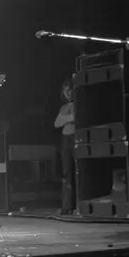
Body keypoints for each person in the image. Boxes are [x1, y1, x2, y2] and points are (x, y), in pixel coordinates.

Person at [54, 76, 75, 215]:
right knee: (67, 173)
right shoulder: (64, 106)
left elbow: (76, 117)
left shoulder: (78, 103)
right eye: (65, 90)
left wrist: (65, 118)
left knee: (76, 172)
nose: (68, 93)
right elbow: (57, 123)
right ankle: (67, 206)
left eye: (70, 90)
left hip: (75, 139)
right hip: (65, 140)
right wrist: (70, 118)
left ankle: (76, 205)